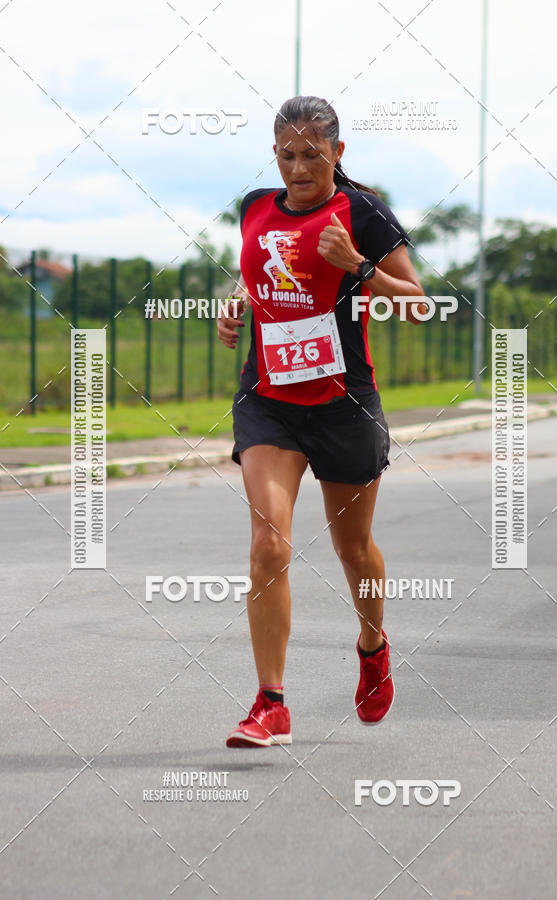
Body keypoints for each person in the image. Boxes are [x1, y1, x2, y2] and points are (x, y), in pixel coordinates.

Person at [217, 95, 426, 748]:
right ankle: (270, 702)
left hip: (343, 403)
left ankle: (372, 646)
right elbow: (261, 275)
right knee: (268, 543)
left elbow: (419, 304)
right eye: (287, 155)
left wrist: (359, 269)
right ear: (273, 155)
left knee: (352, 549)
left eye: (313, 154)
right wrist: (236, 304)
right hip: (270, 400)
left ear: (339, 153)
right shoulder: (254, 207)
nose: (299, 167)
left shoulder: (361, 213)